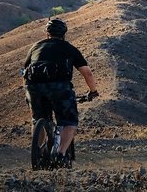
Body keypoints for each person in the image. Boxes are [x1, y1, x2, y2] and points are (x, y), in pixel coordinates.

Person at [22, 18, 98, 166]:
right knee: (69, 121)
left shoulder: (36, 47)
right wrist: (93, 91)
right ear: (64, 34)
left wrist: (28, 93)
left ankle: (38, 153)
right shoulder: (68, 48)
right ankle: (60, 154)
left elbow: (24, 72)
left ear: (46, 33)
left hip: (33, 88)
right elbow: (87, 73)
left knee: (38, 118)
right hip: (59, 88)